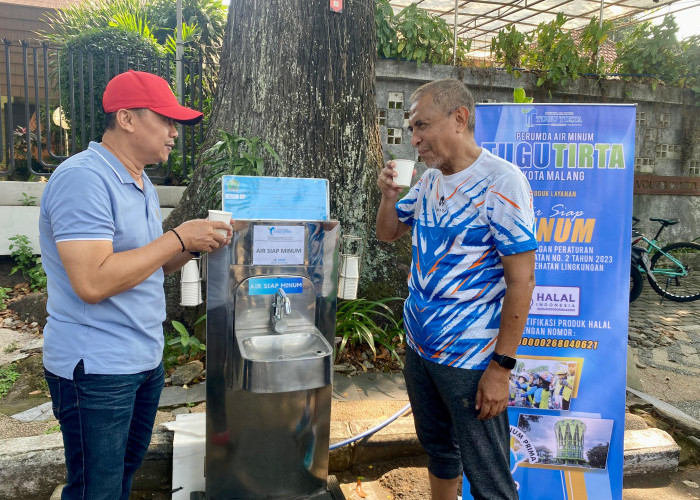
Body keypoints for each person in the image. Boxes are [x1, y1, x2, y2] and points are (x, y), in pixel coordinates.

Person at [39, 69, 232, 500]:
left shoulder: (139, 180)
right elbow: (92, 281)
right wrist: (177, 237)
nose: (174, 132)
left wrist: (195, 247)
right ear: (126, 119)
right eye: (165, 120)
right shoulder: (84, 179)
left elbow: (141, 267)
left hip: (140, 358)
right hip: (98, 367)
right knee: (97, 488)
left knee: (123, 473)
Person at [376, 78, 537, 500]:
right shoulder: (429, 182)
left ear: (459, 119)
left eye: (422, 125)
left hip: (470, 360)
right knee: (439, 452)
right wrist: (389, 195)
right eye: (412, 128)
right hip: (420, 350)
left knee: (489, 477)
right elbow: (388, 232)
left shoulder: (502, 182)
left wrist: (501, 369)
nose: (414, 139)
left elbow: (522, 281)